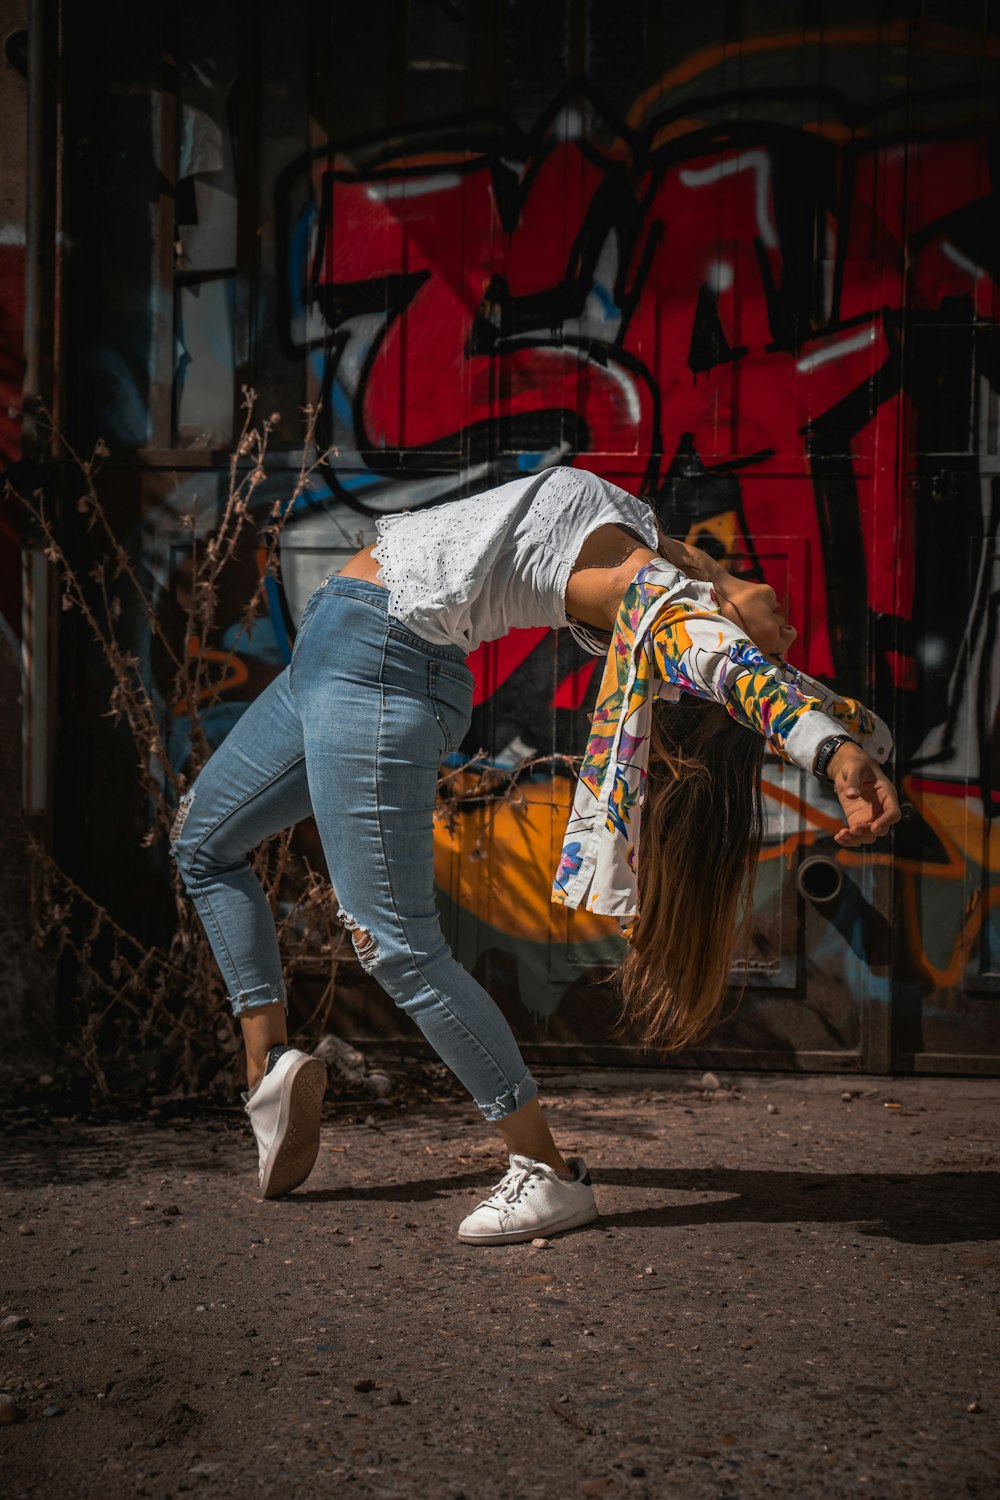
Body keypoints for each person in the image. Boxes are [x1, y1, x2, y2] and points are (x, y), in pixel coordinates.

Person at [171, 467, 900, 1244]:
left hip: (380, 669)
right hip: (327, 655)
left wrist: (832, 751)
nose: (789, 636)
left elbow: (731, 669)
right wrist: (726, 582)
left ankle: (547, 1174)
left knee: (397, 945)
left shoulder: (657, 602)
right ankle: (268, 1068)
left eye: (778, 654)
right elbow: (708, 590)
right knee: (204, 845)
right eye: (785, 651)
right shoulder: (655, 545)